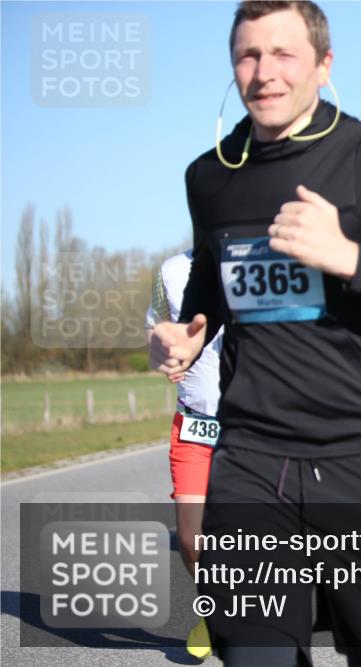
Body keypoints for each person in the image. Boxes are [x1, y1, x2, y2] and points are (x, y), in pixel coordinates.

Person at [148, 3, 361, 664]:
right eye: (248, 55)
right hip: (250, 461)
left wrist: (350, 257)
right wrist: (188, 334)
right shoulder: (209, 177)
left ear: (324, 65)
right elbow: (208, 292)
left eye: (283, 54)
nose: (263, 73)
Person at [145, 250, 223, 661]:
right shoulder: (171, 271)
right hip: (193, 427)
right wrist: (162, 352)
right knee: (192, 541)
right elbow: (154, 326)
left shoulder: (260, 263)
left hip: (251, 426)